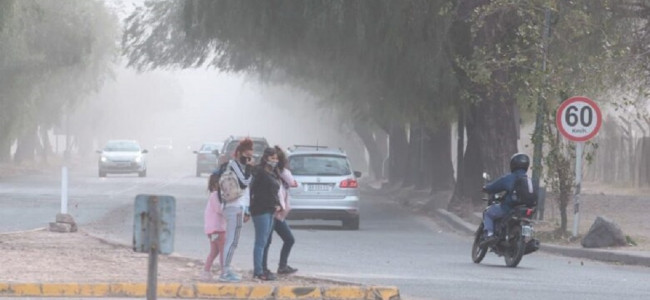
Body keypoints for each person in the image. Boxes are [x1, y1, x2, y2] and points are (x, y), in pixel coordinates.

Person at [218, 138, 254, 282]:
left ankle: (226, 270)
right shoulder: (234, 165)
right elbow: (244, 183)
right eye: (247, 155)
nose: (249, 158)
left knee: (232, 240)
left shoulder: (236, 165)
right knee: (232, 241)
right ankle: (225, 272)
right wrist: (250, 168)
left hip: (236, 206)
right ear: (239, 153)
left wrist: (247, 210)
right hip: (234, 207)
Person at [262, 146, 298, 275]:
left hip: (279, 212)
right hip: (273, 212)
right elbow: (293, 182)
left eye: (277, 158)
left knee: (289, 239)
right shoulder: (277, 172)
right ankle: (262, 268)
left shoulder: (278, 172)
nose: (275, 160)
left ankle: (282, 266)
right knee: (266, 241)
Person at [481, 153, 531, 246]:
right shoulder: (529, 180)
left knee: (488, 213)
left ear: (513, 164)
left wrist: (486, 188)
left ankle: (489, 235)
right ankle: (527, 238)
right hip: (526, 210)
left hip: (509, 209)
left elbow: (495, 186)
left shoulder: (510, 177)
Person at [250, 147, 282, 281]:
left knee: (265, 241)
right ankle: (258, 271)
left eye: (276, 158)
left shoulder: (273, 173)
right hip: (260, 210)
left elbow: (274, 192)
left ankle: (263, 268)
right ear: (265, 158)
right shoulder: (260, 173)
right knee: (261, 241)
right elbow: (252, 191)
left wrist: (278, 204)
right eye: (272, 158)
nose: (274, 161)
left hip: (270, 211)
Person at [201, 172, 226, 281]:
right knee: (223, 251)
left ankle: (206, 271)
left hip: (211, 230)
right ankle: (224, 272)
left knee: (214, 251)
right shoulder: (215, 195)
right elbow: (219, 210)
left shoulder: (212, 195)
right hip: (218, 229)